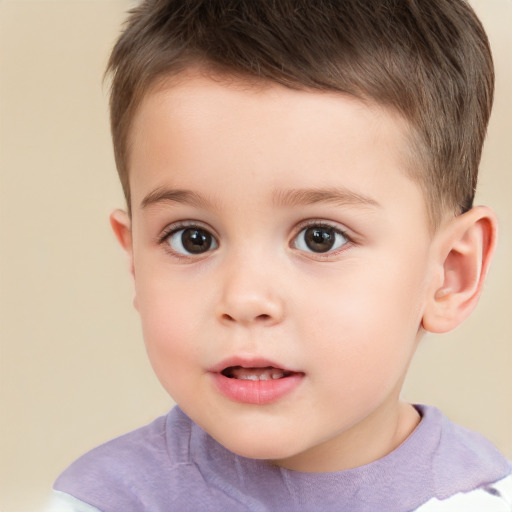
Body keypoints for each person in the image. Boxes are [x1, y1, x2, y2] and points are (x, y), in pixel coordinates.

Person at [47, 0, 511, 510]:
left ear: (450, 273)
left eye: (320, 237)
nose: (245, 298)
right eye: (192, 238)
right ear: (135, 260)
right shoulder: (104, 502)